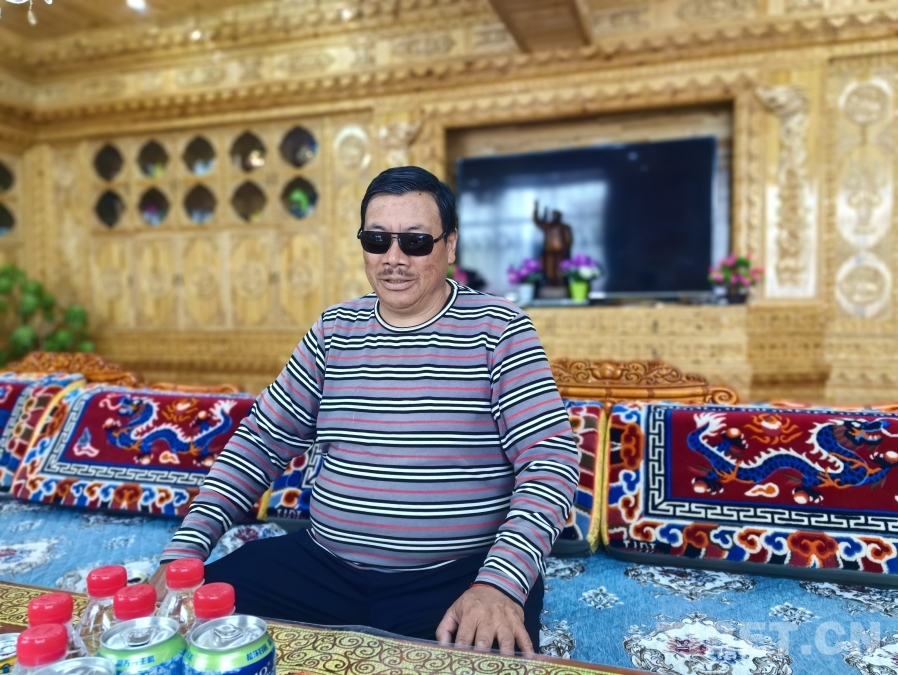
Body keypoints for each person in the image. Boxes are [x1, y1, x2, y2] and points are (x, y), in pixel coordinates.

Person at [150, 166, 578, 655]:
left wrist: (500, 585)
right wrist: (183, 553)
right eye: (377, 240)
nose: (394, 258)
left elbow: (550, 464)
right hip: (325, 570)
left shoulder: (499, 329)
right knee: (182, 624)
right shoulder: (333, 331)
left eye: (415, 242)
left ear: (450, 246)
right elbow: (259, 444)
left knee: (489, 659)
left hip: (458, 578)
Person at [533, 202, 573, 287]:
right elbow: (537, 222)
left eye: (556, 215)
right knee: (549, 269)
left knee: (561, 269)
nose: (555, 216)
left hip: (560, 252)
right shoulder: (548, 226)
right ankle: (550, 283)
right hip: (549, 252)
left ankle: (560, 283)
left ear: (559, 216)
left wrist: (566, 250)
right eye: (553, 215)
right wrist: (536, 209)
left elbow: (568, 240)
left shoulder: (564, 227)